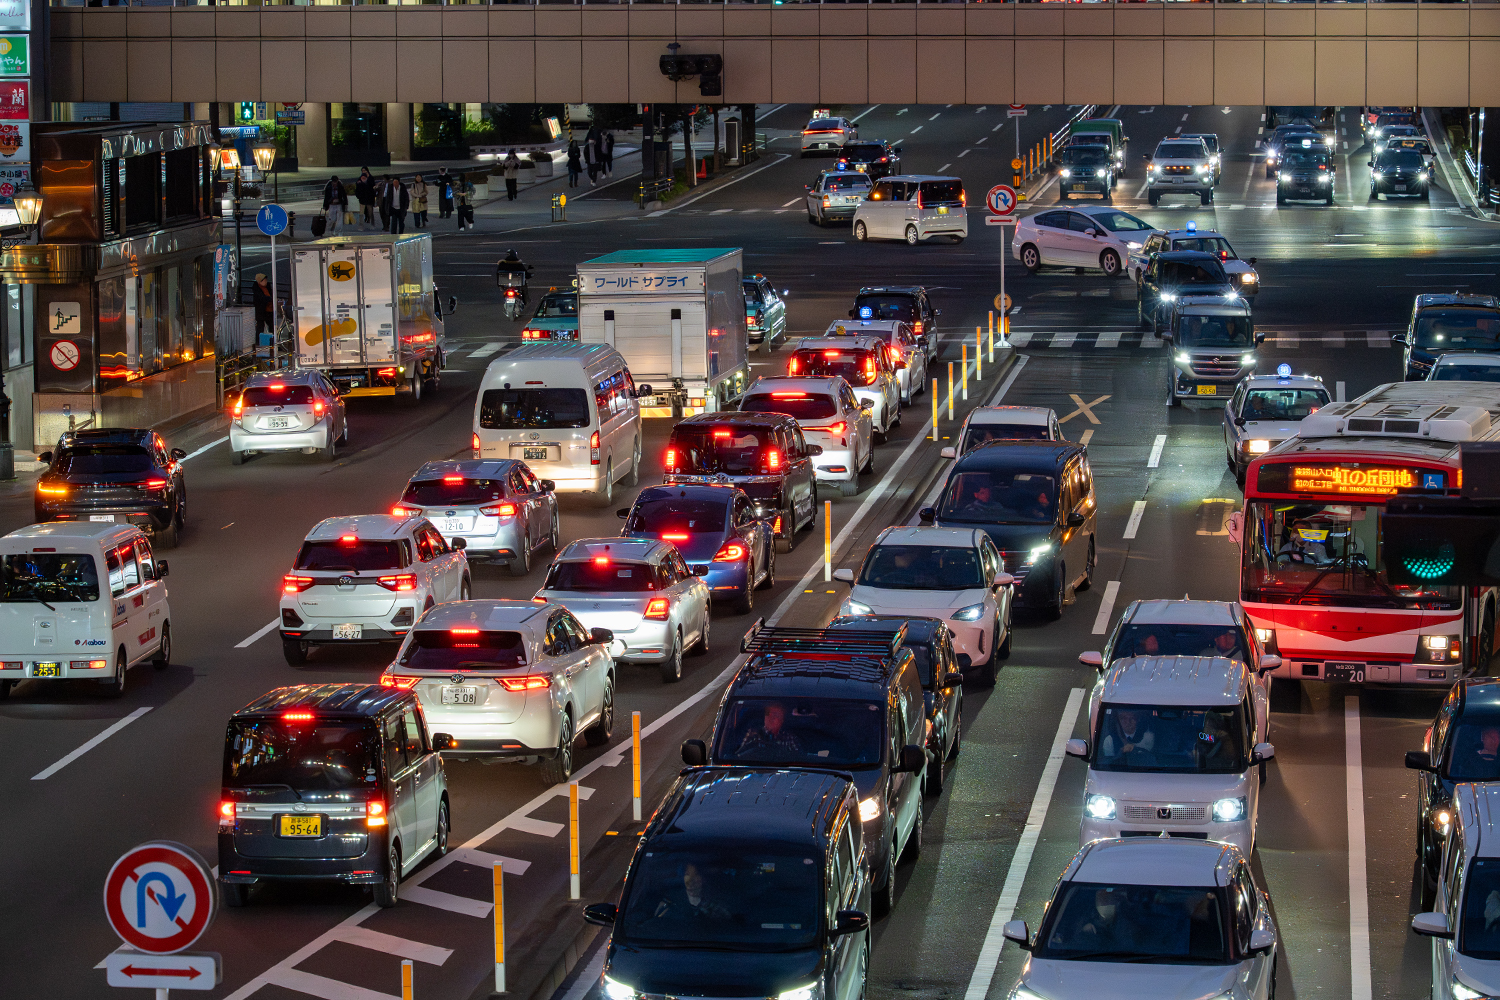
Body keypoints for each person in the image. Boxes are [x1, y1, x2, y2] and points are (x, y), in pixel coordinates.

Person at [650, 863, 732, 922]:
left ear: (704, 878)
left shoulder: (717, 905)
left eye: (696, 875)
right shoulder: (670, 901)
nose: (690, 880)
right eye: (687, 874)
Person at [735, 702, 803, 758]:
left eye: (775, 715)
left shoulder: (789, 738)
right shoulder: (753, 734)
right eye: (768, 714)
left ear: (782, 720)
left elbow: (798, 759)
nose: (771, 718)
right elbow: (741, 756)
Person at [252, 273, 273, 340]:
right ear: (260, 281)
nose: (266, 281)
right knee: (260, 326)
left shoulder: (268, 286)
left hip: (269, 310)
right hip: (261, 310)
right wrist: (269, 299)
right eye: (264, 280)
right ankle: (259, 341)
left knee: (271, 325)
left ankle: (272, 340)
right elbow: (261, 298)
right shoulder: (256, 288)